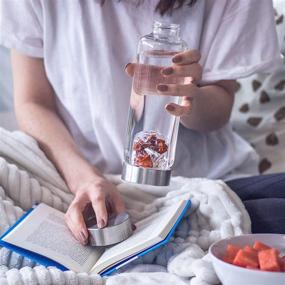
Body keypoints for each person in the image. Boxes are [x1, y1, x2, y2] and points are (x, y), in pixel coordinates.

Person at [0, 0, 283, 245]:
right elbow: (32, 102)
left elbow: (219, 110)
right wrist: (85, 178)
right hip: (82, 177)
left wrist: (189, 97)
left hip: (201, 179)